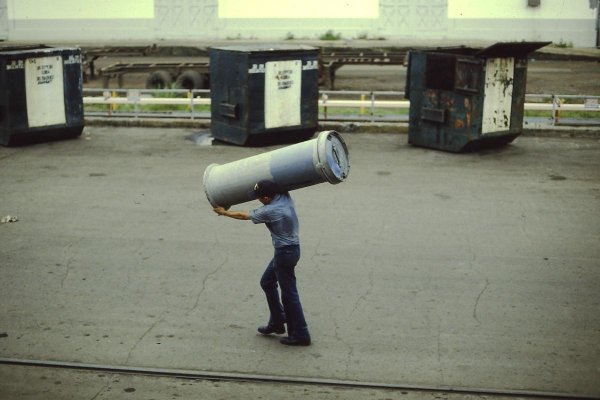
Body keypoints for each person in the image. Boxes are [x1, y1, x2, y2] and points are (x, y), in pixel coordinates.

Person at [213, 180, 311, 346]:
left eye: (259, 197)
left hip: (285, 253)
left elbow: (244, 216)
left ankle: (301, 333)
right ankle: (278, 321)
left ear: (266, 198)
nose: (258, 199)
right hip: (290, 250)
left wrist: (223, 212)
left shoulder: (272, 210)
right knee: (267, 282)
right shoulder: (283, 196)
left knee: (289, 295)